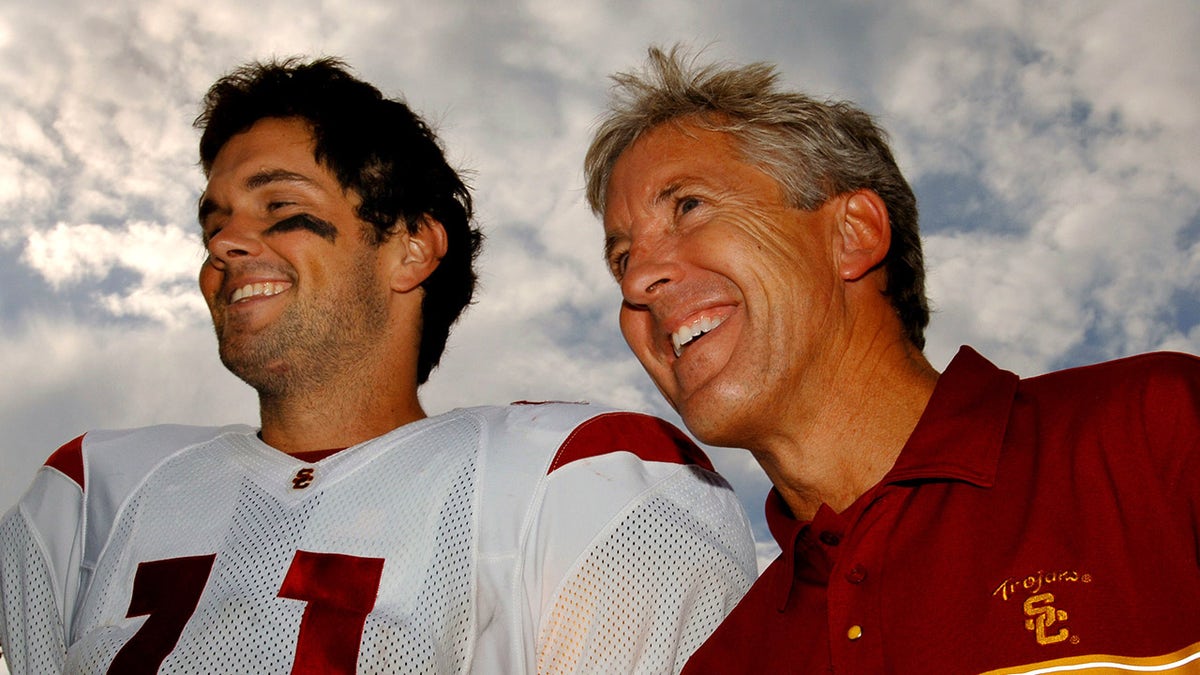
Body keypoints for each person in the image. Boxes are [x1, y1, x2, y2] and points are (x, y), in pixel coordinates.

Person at [0, 57, 758, 674]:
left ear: (410, 248)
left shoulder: (577, 477)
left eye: (279, 210)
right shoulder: (94, 492)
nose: (225, 244)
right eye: (216, 222)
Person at [584, 45, 1200, 674]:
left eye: (688, 206)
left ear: (854, 233)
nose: (638, 283)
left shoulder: (1159, 436)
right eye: (622, 259)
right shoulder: (726, 664)